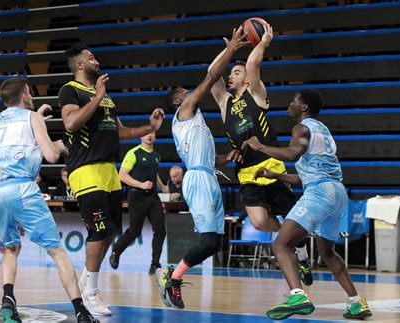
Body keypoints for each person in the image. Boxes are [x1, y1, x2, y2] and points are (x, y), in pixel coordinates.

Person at [242, 89, 372, 320]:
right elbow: (304, 176)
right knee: (327, 252)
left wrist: (259, 146)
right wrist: (276, 175)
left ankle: (298, 296)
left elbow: (293, 154)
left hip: (320, 193)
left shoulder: (301, 128)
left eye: (294, 101)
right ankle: (356, 303)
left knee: (281, 244)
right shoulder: (323, 131)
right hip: (337, 192)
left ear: (303, 107)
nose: (289, 105)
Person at [59, 43, 165, 316]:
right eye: (91, 57)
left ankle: (86, 280)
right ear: (79, 65)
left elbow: (120, 132)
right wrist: (96, 97)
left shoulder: (106, 98)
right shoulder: (71, 90)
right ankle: (91, 292)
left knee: (111, 231)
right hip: (85, 169)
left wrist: (150, 127)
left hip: (108, 169)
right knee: (99, 231)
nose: (97, 59)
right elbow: (71, 124)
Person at [0, 78, 98, 323]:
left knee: (11, 248)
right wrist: (50, 139)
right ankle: (81, 312)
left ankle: (8, 299)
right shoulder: (32, 118)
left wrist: (35, 129)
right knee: (57, 251)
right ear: (25, 95)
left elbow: (13, 149)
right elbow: (52, 155)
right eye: (30, 93)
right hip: (21, 189)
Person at [209, 24, 313, 284]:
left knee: (289, 215)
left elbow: (254, 66)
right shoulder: (225, 103)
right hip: (246, 172)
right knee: (257, 222)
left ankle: (299, 251)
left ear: (246, 79)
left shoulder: (256, 94)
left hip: (271, 165)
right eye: (230, 72)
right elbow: (212, 74)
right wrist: (228, 50)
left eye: (236, 72)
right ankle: (290, 243)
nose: (231, 75)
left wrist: (263, 42)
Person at [156, 28, 247, 310]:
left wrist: (227, 157)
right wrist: (231, 49)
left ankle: (174, 275)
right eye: (185, 93)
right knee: (207, 241)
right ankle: (173, 276)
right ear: (177, 102)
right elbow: (209, 78)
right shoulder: (184, 113)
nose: (190, 94)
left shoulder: (196, 122)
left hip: (207, 174)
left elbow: (211, 159)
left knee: (215, 243)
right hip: (197, 178)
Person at [109, 132, 166, 275]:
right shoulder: (133, 153)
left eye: (152, 133)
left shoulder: (157, 155)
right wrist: (141, 185)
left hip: (152, 196)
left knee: (160, 230)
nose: (150, 136)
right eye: (146, 134)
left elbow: (154, 171)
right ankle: (116, 251)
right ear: (141, 137)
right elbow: (122, 175)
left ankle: (155, 264)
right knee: (135, 231)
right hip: (136, 195)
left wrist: (162, 185)